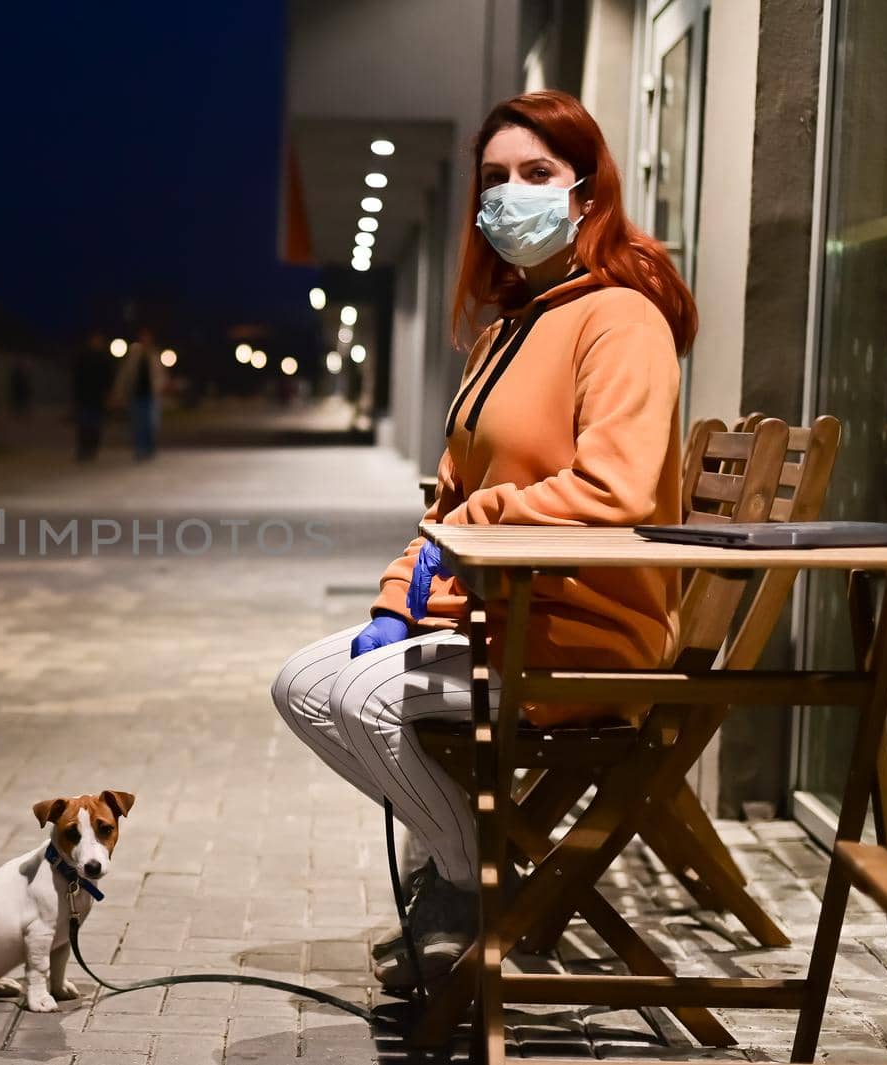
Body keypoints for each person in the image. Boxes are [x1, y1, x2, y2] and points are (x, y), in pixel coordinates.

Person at [270, 90, 697, 990]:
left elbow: (612, 489)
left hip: (581, 636)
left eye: (537, 174)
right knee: (305, 684)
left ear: (586, 193)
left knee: (371, 704)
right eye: (495, 178)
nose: (511, 195)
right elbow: (449, 499)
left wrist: (470, 526)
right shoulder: (506, 327)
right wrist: (397, 597)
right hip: (493, 619)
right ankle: (465, 868)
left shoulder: (622, 318)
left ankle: (464, 887)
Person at [108, 328, 168, 460]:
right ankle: (139, 449)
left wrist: (159, 388)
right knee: (137, 423)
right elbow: (124, 375)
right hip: (136, 394)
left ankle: (150, 447)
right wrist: (118, 392)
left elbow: (161, 376)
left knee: (150, 423)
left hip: (151, 395)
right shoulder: (133, 356)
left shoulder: (154, 356)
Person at [73, 332, 112, 461]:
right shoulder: (83, 357)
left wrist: (108, 394)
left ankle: (92, 449)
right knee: (84, 424)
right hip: (85, 397)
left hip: (98, 398)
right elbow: (77, 378)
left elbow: (108, 379)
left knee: (95, 425)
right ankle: (83, 449)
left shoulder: (104, 359)